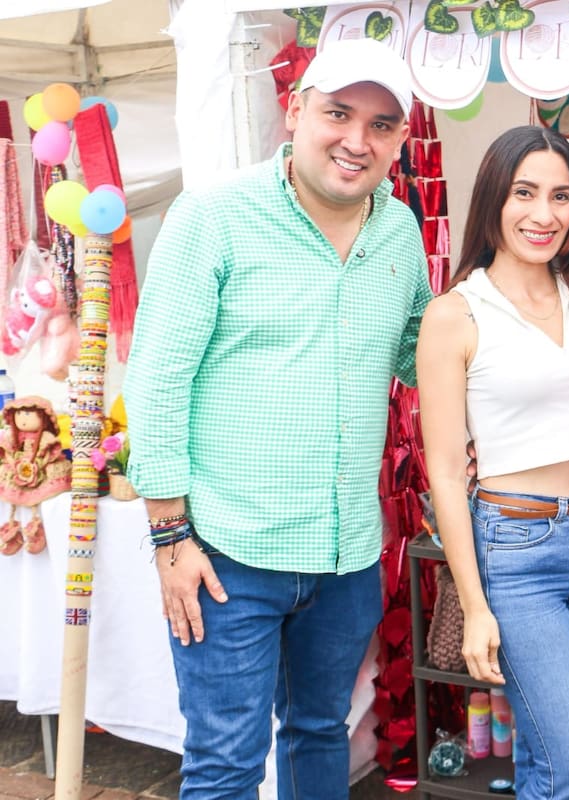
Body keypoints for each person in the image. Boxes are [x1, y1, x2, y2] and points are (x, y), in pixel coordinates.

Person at [123, 38, 432, 800]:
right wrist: (169, 536)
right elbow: (157, 379)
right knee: (226, 765)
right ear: (295, 111)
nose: (357, 140)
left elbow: (418, 357)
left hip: (346, 556)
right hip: (228, 554)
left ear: (400, 138)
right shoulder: (215, 218)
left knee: (320, 735)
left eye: (382, 124)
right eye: (338, 113)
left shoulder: (400, 234)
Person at [416, 125, 569, 800]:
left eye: (561, 196)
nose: (545, 214)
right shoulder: (456, 314)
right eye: (525, 193)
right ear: (494, 201)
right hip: (517, 549)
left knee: (544, 753)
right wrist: (476, 606)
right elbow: (446, 472)